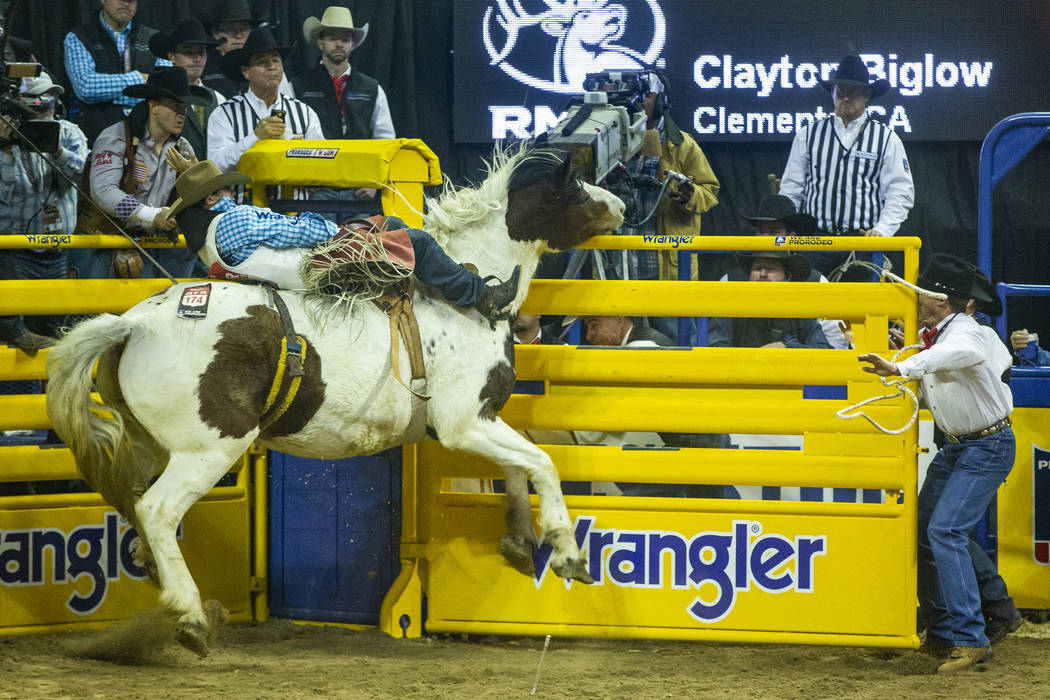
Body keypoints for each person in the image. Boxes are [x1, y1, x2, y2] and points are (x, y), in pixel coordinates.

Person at [859, 253, 1014, 672]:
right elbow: (969, 367)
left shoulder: (965, 334)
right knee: (932, 529)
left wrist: (901, 366)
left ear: (944, 301)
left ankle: (969, 634)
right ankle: (956, 626)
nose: (915, 299)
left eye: (922, 294)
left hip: (985, 445)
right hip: (963, 446)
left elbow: (956, 354)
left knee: (943, 529)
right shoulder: (943, 337)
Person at [162, 157, 521, 323]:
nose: (229, 192)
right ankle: (482, 296)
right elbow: (297, 231)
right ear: (210, 200)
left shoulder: (209, 241)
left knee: (391, 223)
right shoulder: (233, 220)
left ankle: (452, 283)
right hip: (317, 264)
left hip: (301, 269)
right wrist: (336, 230)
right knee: (418, 242)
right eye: (222, 189)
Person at [605, 72, 718, 341]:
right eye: (637, 96)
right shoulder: (610, 143)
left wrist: (689, 195)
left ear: (661, 101)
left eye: (647, 96)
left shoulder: (682, 145)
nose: (641, 102)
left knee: (677, 342)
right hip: (621, 265)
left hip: (667, 267)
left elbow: (710, 191)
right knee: (620, 344)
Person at [779, 55, 914, 279]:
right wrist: (788, 229)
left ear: (867, 95)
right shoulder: (808, 134)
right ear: (832, 92)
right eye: (840, 89)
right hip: (815, 241)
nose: (846, 96)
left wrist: (882, 230)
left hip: (861, 243)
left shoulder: (886, 138)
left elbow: (901, 191)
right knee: (812, 307)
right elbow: (792, 188)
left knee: (861, 310)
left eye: (854, 90)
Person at [73, 67, 207, 280]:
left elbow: (200, 195)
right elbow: (103, 192)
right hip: (100, 241)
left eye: (184, 107)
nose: (182, 114)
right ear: (153, 105)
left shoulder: (182, 147)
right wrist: (151, 215)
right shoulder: (116, 138)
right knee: (87, 311)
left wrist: (193, 180)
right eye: (175, 106)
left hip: (145, 244)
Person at [0, 80, 88, 350]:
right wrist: (4, 147)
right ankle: (17, 389)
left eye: (51, 100)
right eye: (38, 101)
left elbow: (84, 174)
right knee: (16, 337)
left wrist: (56, 149)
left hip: (58, 250)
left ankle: (53, 389)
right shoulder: (5, 139)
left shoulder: (69, 132)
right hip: (16, 252)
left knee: (56, 331)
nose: (47, 107)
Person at [729, 193, 849, 349]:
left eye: (773, 232)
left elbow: (834, 343)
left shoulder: (817, 283)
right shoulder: (731, 279)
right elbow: (714, 341)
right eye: (761, 231)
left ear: (792, 237)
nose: (766, 238)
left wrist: (790, 350)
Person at [207, 29, 324, 173]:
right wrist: (255, 137)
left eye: (276, 60)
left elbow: (322, 161)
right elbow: (216, 165)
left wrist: (300, 152)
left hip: (292, 194)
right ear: (246, 72)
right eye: (262, 62)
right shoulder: (225, 113)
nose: (272, 66)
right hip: (244, 194)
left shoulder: (304, 112)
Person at [63, 0, 171, 145]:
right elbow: (86, 87)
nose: (126, 3)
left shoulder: (154, 38)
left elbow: (166, 86)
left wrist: (107, 95)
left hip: (148, 139)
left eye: (131, 0)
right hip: (98, 137)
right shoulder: (79, 37)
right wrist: (140, 81)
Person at [292, 7, 395, 141]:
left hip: (360, 160)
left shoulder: (372, 89)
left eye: (345, 39)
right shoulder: (298, 86)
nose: (339, 44)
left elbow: (385, 138)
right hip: (316, 160)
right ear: (320, 43)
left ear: (353, 45)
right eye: (332, 38)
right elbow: (290, 132)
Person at [707, 251, 832, 349]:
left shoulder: (798, 309)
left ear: (787, 276)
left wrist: (787, 348)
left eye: (771, 269)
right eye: (757, 268)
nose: (762, 274)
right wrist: (755, 357)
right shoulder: (730, 306)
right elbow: (714, 346)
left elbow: (823, 348)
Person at [149, 19, 225, 160]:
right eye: (188, 52)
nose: (196, 58)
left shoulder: (218, 99)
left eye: (201, 52)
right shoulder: (158, 98)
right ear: (172, 56)